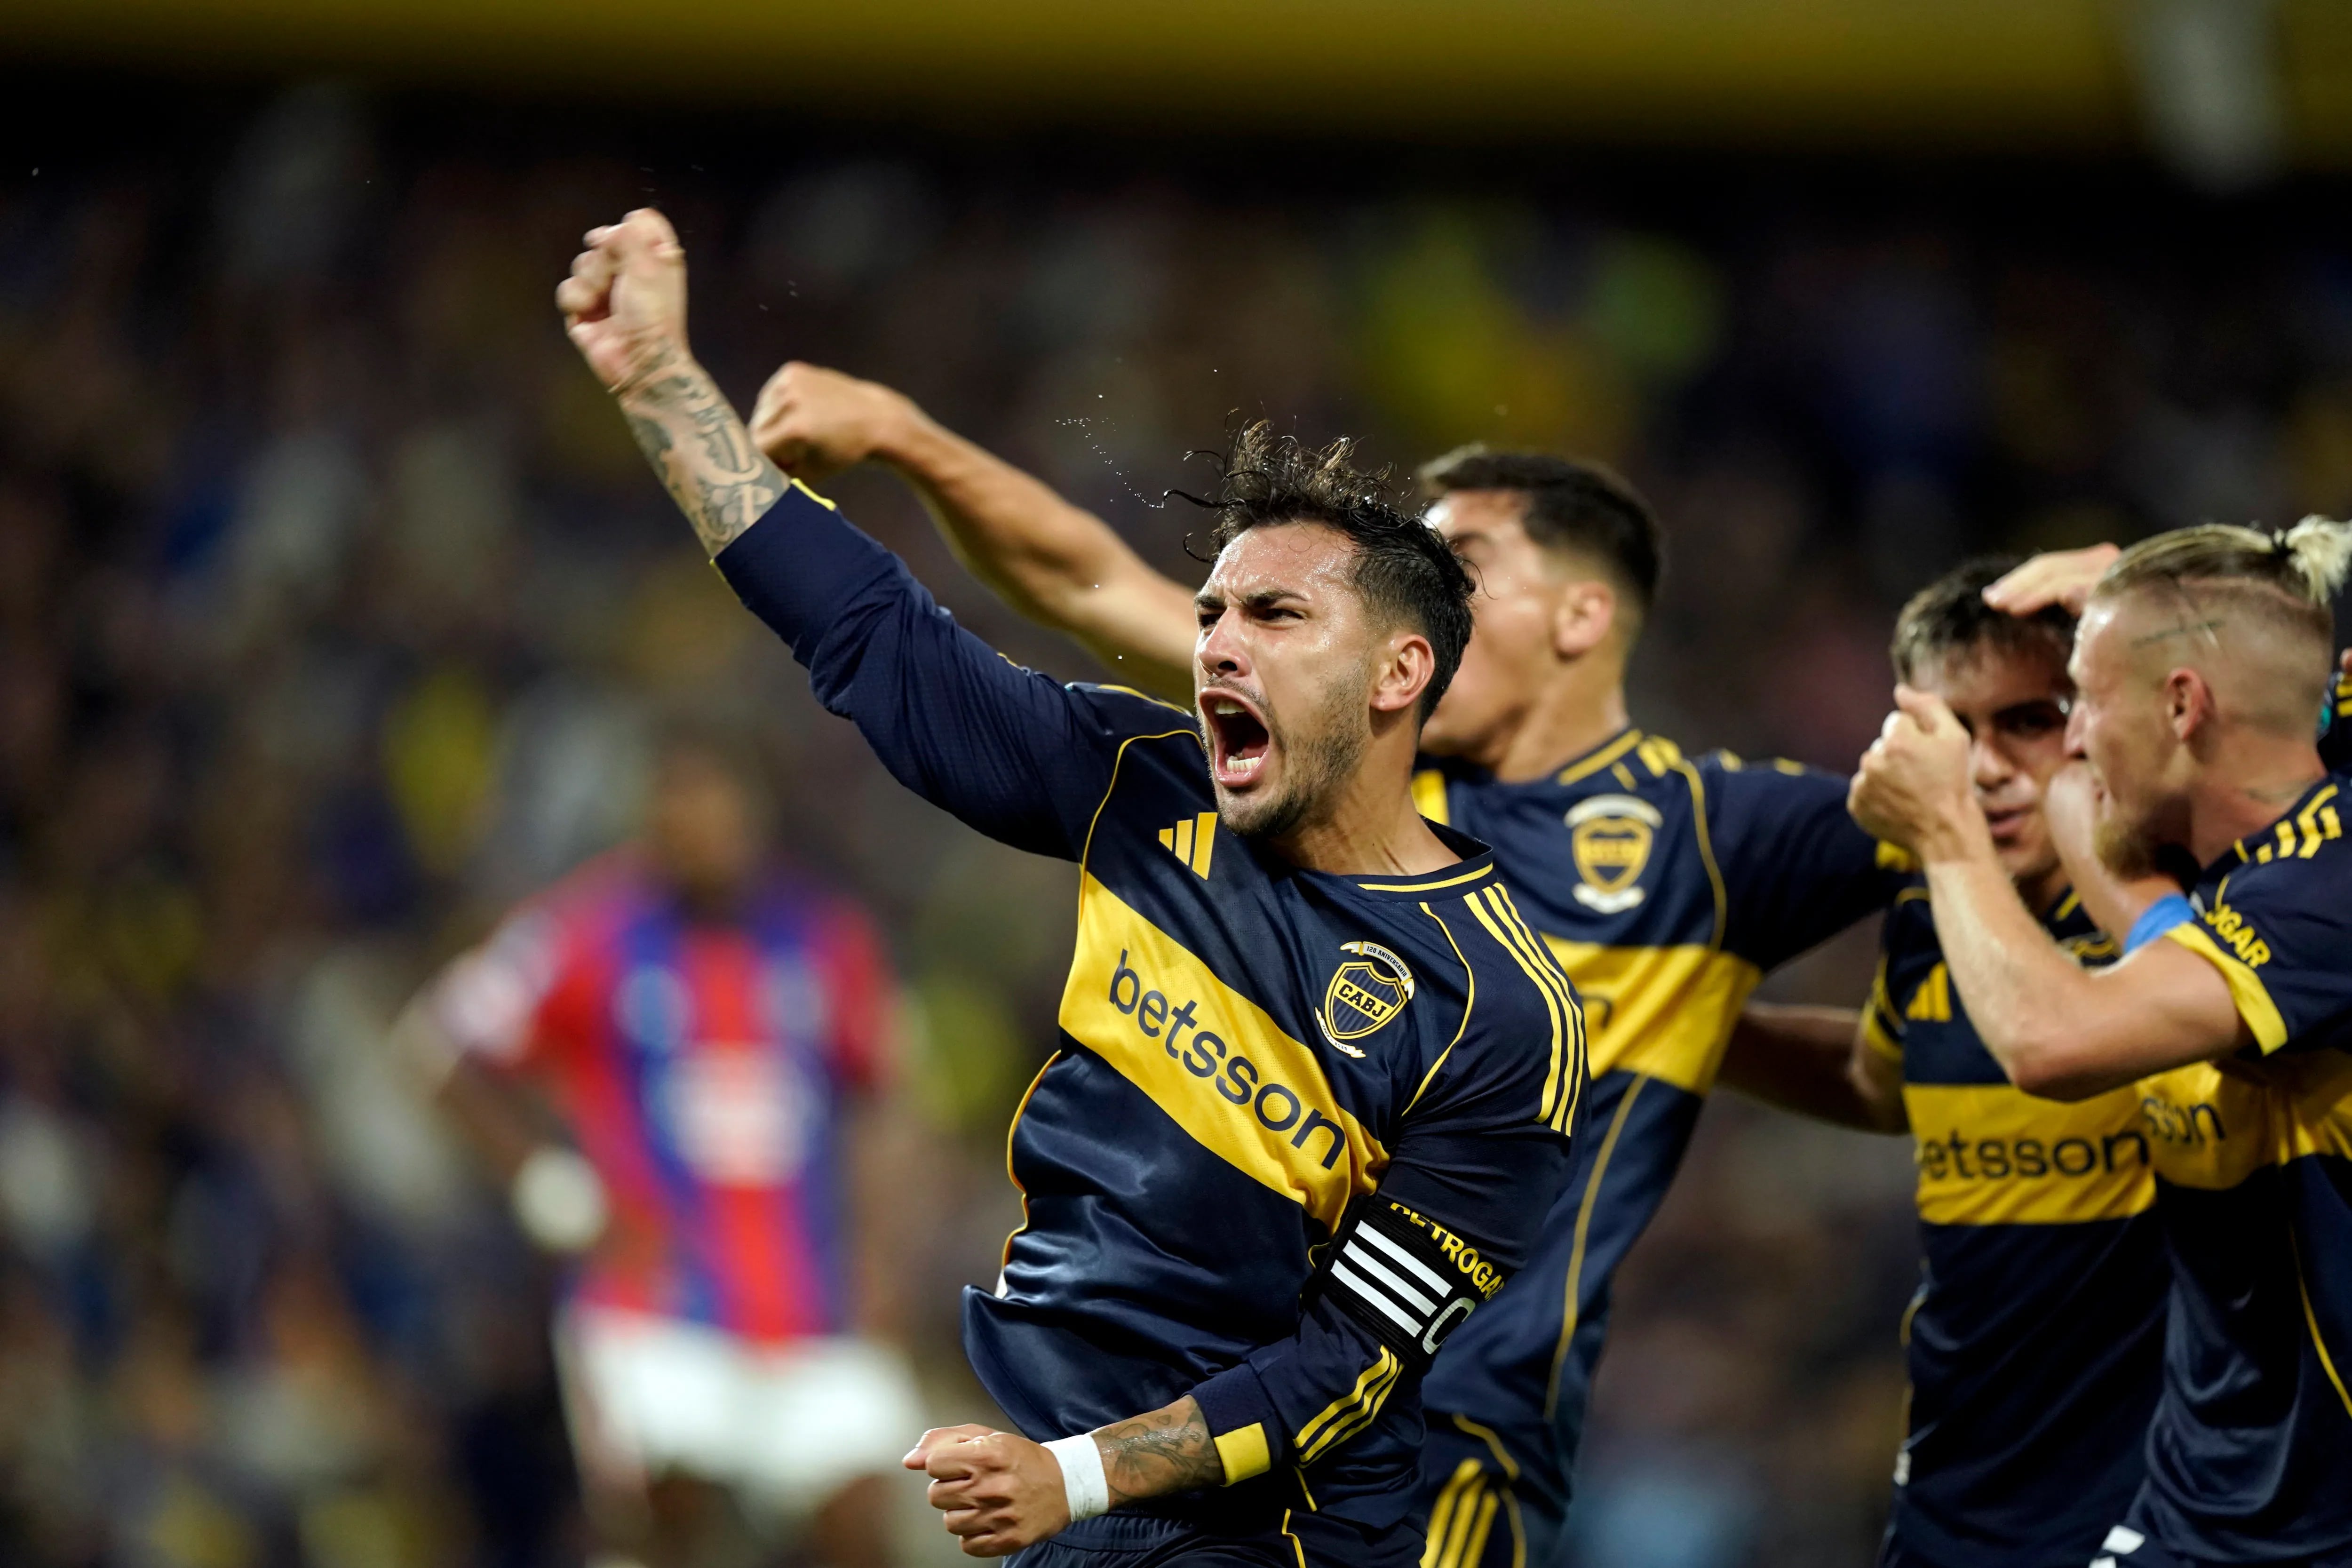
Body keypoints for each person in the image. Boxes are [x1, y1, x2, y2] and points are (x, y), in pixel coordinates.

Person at [558, 208, 1586, 1567]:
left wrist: (1079, 1475)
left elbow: (1350, 1363)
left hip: (1276, 1537)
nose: (1219, 646)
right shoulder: (1140, 784)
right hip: (1067, 1502)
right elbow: (869, 628)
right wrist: (659, 384)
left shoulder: (1500, 1014)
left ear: (1399, 674)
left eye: (1276, 617)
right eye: (1212, 613)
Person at [746, 362, 1902, 1565]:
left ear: (1573, 617)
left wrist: (1706, 1025)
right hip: (1214, 1429)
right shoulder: (1318, 758)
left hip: (1452, 1423)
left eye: (1473, 564)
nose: (1441, 580)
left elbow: (1970, 850)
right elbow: (1072, 571)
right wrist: (909, 435)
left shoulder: (1710, 830)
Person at [1851, 520, 2352, 1568]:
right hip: (2198, 1506)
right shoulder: (2219, 867)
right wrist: (2151, 589)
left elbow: (2048, 1037)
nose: (2068, 745)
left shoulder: (2328, 883)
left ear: (2179, 703)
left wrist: (1944, 831)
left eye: (2079, 698)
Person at [1724, 558, 2177, 1568]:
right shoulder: (1940, 915)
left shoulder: (2199, 915)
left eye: (2027, 719)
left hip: (2159, 1502)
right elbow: (1879, 1083)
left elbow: (2051, 1039)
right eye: (1950, 731)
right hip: (1956, 1496)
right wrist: (1705, 1027)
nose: (1981, 768)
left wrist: (2151, 595)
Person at [398, 728, 922, 1568]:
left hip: (809, 1302)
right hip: (657, 1305)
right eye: (680, 802)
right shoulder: (587, 931)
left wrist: (885, 1253)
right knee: (672, 1523)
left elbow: (890, 1096)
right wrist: (544, 1182)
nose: (704, 825)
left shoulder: (827, 940)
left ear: (757, 810)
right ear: (651, 817)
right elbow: (438, 1045)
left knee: (863, 1527)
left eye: (721, 800)